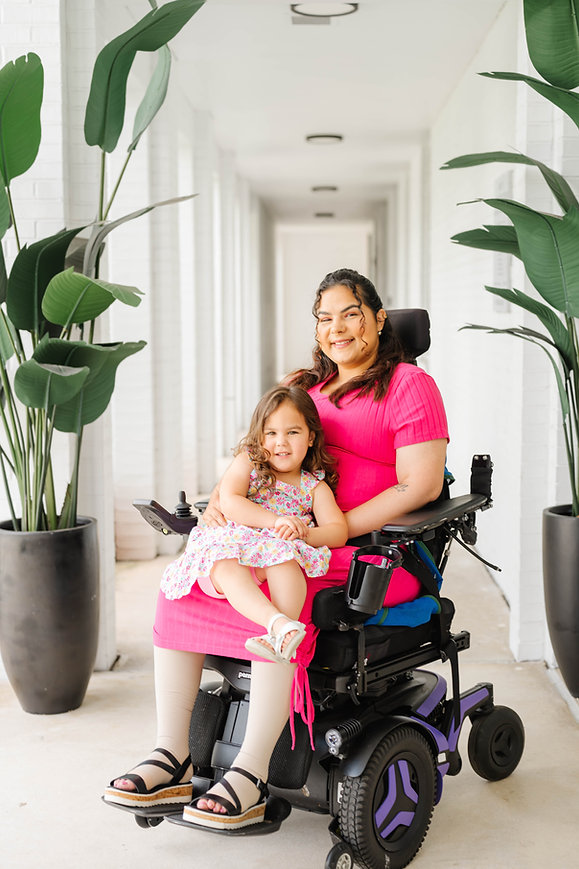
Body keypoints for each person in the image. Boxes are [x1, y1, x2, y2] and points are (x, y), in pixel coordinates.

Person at [104, 267, 449, 832]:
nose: (337, 329)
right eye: (324, 318)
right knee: (183, 588)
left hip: (375, 554)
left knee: (285, 596)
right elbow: (253, 455)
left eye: (351, 314)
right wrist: (221, 503)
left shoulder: (408, 385)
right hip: (279, 537)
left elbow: (422, 485)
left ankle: (250, 773)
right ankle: (173, 755)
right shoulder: (302, 386)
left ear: (379, 318)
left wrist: (329, 528)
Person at [159, 385, 348, 664]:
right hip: (233, 548)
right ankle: (277, 623)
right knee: (225, 565)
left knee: (285, 558)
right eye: (271, 433)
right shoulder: (249, 463)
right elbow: (230, 501)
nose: (281, 442)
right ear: (259, 438)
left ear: (311, 437)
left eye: (292, 432)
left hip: (275, 550)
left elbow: (338, 531)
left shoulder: (314, 487)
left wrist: (304, 533)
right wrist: (276, 521)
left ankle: (284, 635)